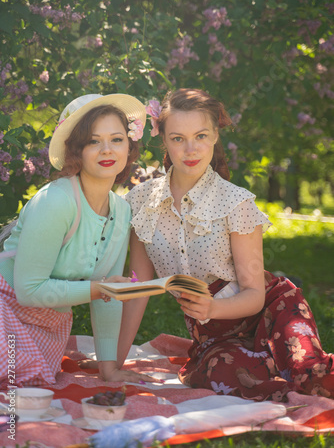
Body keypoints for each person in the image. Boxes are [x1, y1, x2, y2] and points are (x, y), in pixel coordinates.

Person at [126, 88, 334, 402]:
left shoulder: (235, 202)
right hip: (215, 335)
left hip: (271, 308)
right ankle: (274, 364)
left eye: (201, 135)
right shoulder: (142, 201)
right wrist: (111, 365)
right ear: (163, 139)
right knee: (219, 377)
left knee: (312, 374)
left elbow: (254, 294)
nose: (190, 149)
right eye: (178, 138)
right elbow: (138, 288)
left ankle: (291, 365)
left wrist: (213, 307)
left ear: (215, 137)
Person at [0, 93, 157, 387]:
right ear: (76, 151)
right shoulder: (56, 200)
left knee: (26, 382)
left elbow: (107, 295)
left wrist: (108, 369)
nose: (107, 150)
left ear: (129, 145)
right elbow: (27, 291)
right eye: (93, 141)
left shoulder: (121, 211)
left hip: (47, 326)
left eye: (117, 139)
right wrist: (100, 289)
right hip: (4, 310)